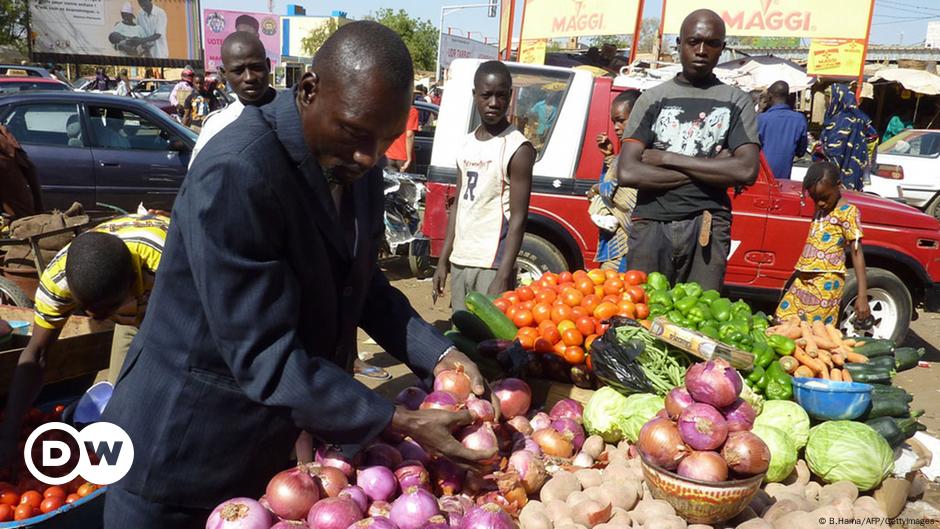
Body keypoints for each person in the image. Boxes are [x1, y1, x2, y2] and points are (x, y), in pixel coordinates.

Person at [100, 21, 495, 528]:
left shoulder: (359, 167)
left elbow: (362, 283)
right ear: (309, 90)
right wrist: (401, 419)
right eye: (355, 133)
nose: (369, 157)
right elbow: (264, 354)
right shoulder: (238, 173)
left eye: (386, 140)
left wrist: (440, 353)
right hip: (178, 452)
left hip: (265, 458)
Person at [0, 213, 168, 465]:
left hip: (167, 303)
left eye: (105, 309)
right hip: (131, 303)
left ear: (133, 282)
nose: (94, 316)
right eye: (85, 308)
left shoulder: (167, 262)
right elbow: (37, 354)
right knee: (121, 400)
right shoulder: (58, 283)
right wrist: (9, 432)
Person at [616, 9, 760, 292]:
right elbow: (628, 170)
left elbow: (746, 170)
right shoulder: (652, 99)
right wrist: (713, 166)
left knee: (699, 320)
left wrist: (667, 158)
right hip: (651, 223)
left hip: (708, 225)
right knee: (641, 314)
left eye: (712, 43)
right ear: (679, 43)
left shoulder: (736, 101)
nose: (702, 50)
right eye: (694, 41)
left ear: (723, 48)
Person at [432, 61, 536, 311]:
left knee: (488, 343)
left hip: (491, 263)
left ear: (510, 97)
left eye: (501, 95)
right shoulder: (466, 144)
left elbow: (519, 218)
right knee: (461, 334)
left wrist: (503, 274)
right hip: (461, 259)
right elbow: (459, 204)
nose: (493, 103)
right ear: (474, 95)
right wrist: (443, 260)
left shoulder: (517, 148)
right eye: (486, 95)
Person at [775, 162, 871, 326]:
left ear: (838, 186)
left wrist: (862, 295)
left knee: (812, 331)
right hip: (804, 278)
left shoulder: (848, 212)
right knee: (781, 321)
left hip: (825, 283)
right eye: (815, 199)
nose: (820, 203)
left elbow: (856, 252)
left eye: (824, 198)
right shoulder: (821, 209)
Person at [190, 32, 276, 165]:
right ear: (224, 74)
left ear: (268, 66)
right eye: (238, 71)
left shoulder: (295, 113)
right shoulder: (217, 126)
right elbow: (200, 179)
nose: (249, 77)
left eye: (256, 67)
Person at [588, 90, 640, 272]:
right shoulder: (625, 151)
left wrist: (597, 188)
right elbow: (614, 180)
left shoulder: (645, 154)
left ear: (638, 117)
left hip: (628, 247)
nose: (616, 127)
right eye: (613, 122)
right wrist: (609, 156)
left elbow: (628, 195)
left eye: (621, 120)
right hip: (616, 243)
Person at [818, 83, 877, 191]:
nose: (825, 104)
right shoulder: (861, 120)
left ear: (836, 100)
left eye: (828, 100)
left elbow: (834, 154)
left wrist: (815, 149)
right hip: (855, 179)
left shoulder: (840, 122)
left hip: (836, 184)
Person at [758, 80, 808, 180]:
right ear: (788, 97)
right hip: (783, 178)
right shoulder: (799, 119)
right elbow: (801, 152)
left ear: (770, 96)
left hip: (761, 177)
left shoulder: (761, 119)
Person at [0, 124, 42, 220]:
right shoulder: (5, 136)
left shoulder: (5, 138)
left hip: (19, 216)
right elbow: (31, 170)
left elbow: (30, 170)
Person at [385, 105, 419, 172]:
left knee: (389, 181)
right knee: (406, 181)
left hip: (388, 155)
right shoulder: (411, 111)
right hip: (403, 156)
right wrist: (409, 159)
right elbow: (409, 135)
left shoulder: (387, 109)